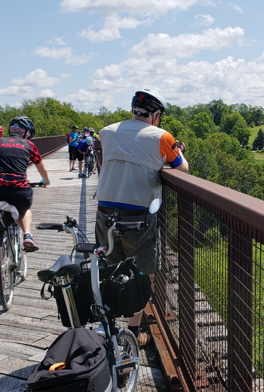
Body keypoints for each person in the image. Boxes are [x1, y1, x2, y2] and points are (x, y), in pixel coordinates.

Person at [95, 88, 188, 346]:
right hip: (138, 216)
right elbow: (183, 168)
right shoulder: (162, 137)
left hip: (105, 213)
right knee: (139, 274)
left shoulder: (107, 131)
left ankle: (110, 328)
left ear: (133, 110)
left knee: (111, 270)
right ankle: (133, 334)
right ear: (156, 115)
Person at [0, 117, 51, 283]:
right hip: (19, 190)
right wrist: (46, 181)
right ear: (26, 133)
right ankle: (27, 235)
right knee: (24, 209)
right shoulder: (29, 145)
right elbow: (41, 167)